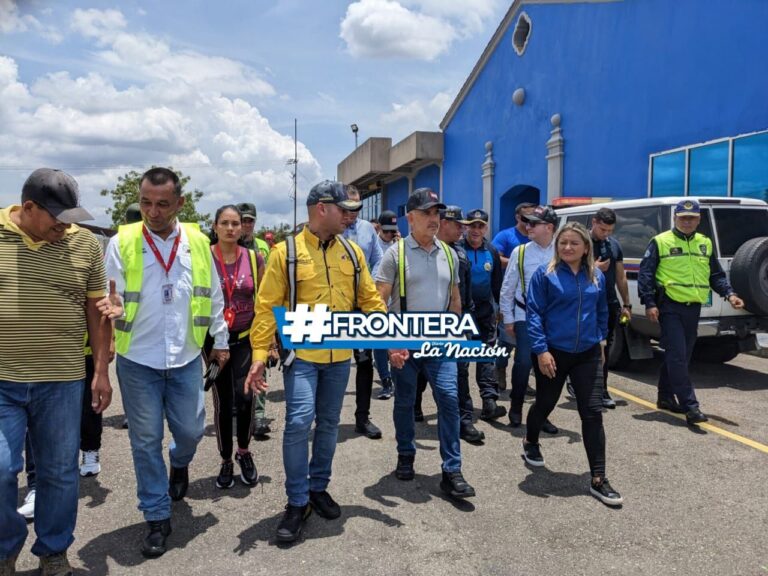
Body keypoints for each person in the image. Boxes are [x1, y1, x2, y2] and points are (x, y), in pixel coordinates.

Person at [245, 180, 398, 544]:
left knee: (328, 424)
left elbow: (371, 302)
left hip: (340, 357)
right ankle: (297, 502)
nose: (351, 217)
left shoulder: (352, 252)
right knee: (299, 422)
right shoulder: (287, 253)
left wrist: (391, 341)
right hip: (303, 356)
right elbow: (267, 306)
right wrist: (257, 354)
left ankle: (318, 489)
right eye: (344, 210)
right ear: (321, 209)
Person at [105, 167, 230, 558]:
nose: (152, 211)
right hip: (137, 359)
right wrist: (111, 310)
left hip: (185, 358)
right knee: (144, 441)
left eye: (162, 204)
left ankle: (180, 462)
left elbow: (213, 296)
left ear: (179, 203)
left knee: (191, 431)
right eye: (145, 202)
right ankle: (157, 516)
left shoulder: (196, 240)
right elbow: (109, 293)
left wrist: (220, 343)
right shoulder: (122, 241)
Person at [0, 168, 118, 575]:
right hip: (3, 381)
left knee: (59, 471)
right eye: (56, 218)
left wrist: (100, 372)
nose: (64, 226)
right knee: (1, 468)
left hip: (63, 380)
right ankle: (5, 547)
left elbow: (97, 313)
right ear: (28, 208)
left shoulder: (84, 244)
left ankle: (53, 550)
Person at [376, 188, 476, 500]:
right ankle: (406, 455)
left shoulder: (449, 253)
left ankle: (452, 469)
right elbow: (379, 303)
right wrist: (391, 344)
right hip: (405, 341)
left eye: (437, 214)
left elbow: (455, 300)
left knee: (448, 398)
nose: (435, 220)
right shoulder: (395, 254)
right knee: (405, 401)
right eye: (428, 214)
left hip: (440, 342)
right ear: (411, 218)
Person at [522, 222, 622, 507]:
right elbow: (534, 314)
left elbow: (602, 310)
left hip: (587, 354)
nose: (567, 247)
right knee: (545, 402)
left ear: (585, 248)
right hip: (553, 352)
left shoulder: (597, 278)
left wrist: (601, 341)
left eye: (573, 243)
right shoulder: (546, 275)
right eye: (562, 243)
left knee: (592, 413)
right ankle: (530, 440)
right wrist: (541, 351)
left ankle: (599, 478)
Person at [638, 199, 744, 425]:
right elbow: (646, 274)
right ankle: (691, 406)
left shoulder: (704, 243)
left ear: (698, 220)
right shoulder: (660, 241)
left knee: (681, 356)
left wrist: (730, 294)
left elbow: (715, 275)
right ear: (675, 218)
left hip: (693, 308)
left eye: (692, 218)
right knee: (677, 355)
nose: (687, 222)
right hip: (669, 306)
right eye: (683, 218)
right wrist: (649, 303)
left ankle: (665, 397)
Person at [207, 205, 266, 489]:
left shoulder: (255, 259)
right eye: (225, 223)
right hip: (215, 344)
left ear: (242, 228)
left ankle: (244, 451)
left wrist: (271, 343)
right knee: (223, 403)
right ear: (215, 226)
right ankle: (226, 459)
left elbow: (266, 302)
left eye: (236, 223)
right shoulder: (204, 258)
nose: (231, 228)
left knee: (245, 399)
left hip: (245, 340)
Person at [499, 206, 559, 433]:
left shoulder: (561, 251)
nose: (528, 226)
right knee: (523, 363)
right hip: (525, 315)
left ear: (549, 228)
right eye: (527, 222)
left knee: (549, 367)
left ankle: (541, 414)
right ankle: (516, 406)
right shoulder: (521, 252)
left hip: (553, 319)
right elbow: (507, 289)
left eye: (534, 223)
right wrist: (508, 320)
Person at [431, 206, 487, 444]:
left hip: (459, 319)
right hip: (428, 322)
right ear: (443, 223)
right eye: (458, 225)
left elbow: (465, 292)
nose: (463, 229)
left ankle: (464, 420)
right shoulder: (426, 250)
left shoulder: (461, 254)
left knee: (460, 372)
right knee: (422, 373)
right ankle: (413, 408)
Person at [567, 208, 632, 409]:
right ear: (593, 222)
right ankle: (576, 382)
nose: (606, 234)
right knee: (584, 346)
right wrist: (592, 267)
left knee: (603, 348)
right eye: (602, 229)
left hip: (608, 304)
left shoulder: (614, 245)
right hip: (584, 303)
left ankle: (601, 389)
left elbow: (621, 276)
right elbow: (568, 271)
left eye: (610, 230)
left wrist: (626, 304)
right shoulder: (580, 243)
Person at [342, 186, 385, 439]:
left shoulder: (369, 229)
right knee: (327, 362)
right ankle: (323, 417)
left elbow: (378, 257)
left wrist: (370, 282)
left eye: (357, 207)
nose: (353, 213)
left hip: (361, 305)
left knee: (364, 361)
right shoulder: (331, 230)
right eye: (348, 207)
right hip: (334, 306)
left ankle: (362, 417)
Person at [458, 208, 507, 423]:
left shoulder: (492, 251)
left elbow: (497, 284)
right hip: (462, 314)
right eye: (473, 225)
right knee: (462, 361)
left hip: (486, 312)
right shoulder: (456, 249)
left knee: (487, 357)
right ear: (467, 226)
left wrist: (501, 309)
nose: (476, 230)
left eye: (481, 225)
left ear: (486, 227)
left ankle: (489, 402)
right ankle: (463, 406)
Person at [492, 201, 537, 388]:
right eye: (526, 217)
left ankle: (522, 379)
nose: (530, 222)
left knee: (526, 344)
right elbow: (495, 257)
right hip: (509, 297)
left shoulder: (536, 237)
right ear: (518, 217)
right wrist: (516, 261)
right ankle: (500, 368)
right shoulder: (506, 236)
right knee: (507, 340)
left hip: (531, 299)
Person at [237, 202, 272, 438]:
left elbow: (270, 283)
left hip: (258, 315)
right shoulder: (225, 245)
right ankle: (237, 406)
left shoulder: (262, 248)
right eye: (243, 221)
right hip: (233, 316)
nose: (247, 225)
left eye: (250, 221)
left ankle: (258, 415)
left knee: (260, 362)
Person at [373, 210, 400, 400]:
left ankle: (397, 378)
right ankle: (385, 381)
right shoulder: (373, 246)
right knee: (380, 344)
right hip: (377, 302)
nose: (390, 234)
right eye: (387, 231)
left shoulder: (400, 246)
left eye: (393, 231)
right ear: (379, 228)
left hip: (396, 303)